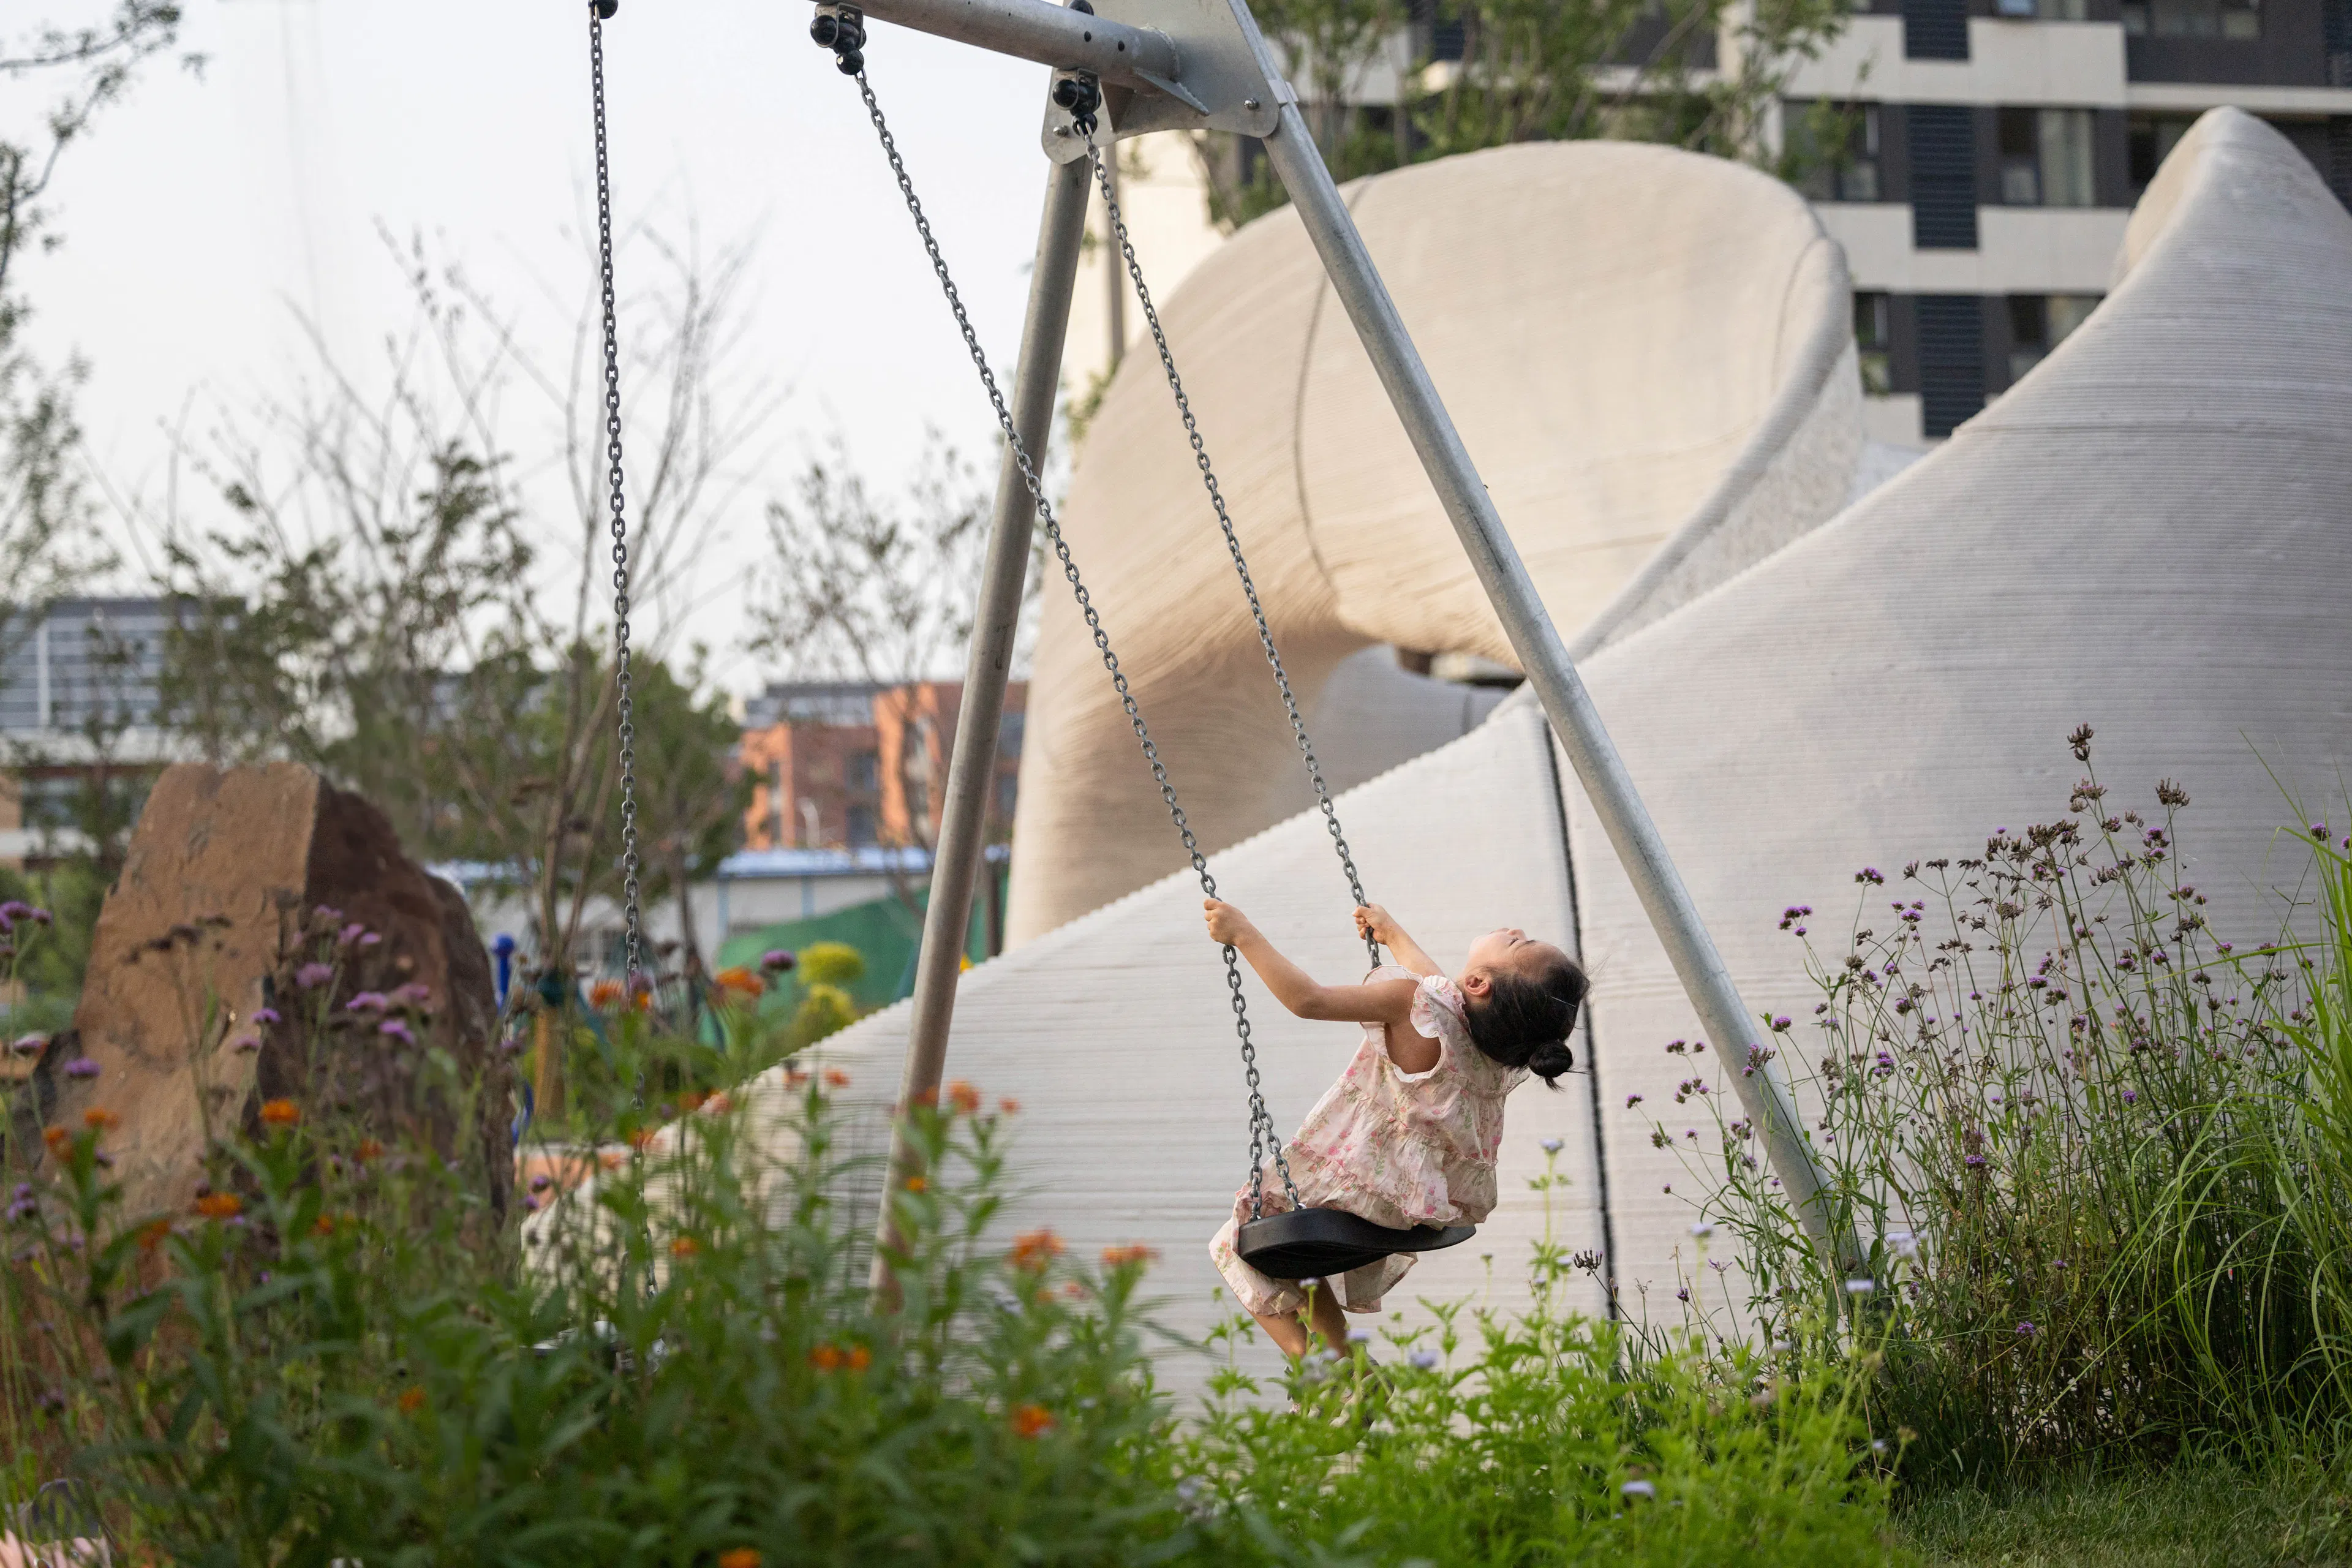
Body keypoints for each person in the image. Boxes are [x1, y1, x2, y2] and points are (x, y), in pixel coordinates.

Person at [1203, 899, 1587, 1359]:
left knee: (1240, 1236)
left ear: (1479, 983)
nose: (1514, 929)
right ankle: (1345, 1367)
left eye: (1519, 942)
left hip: (1362, 1190)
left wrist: (1243, 933)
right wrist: (1394, 934)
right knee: (1289, 1254)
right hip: (1409, 1207)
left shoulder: (1410, 1003)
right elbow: (1444, 992)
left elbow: (1309, 1000)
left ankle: (1321, 1364)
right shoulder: (1493, 1052)